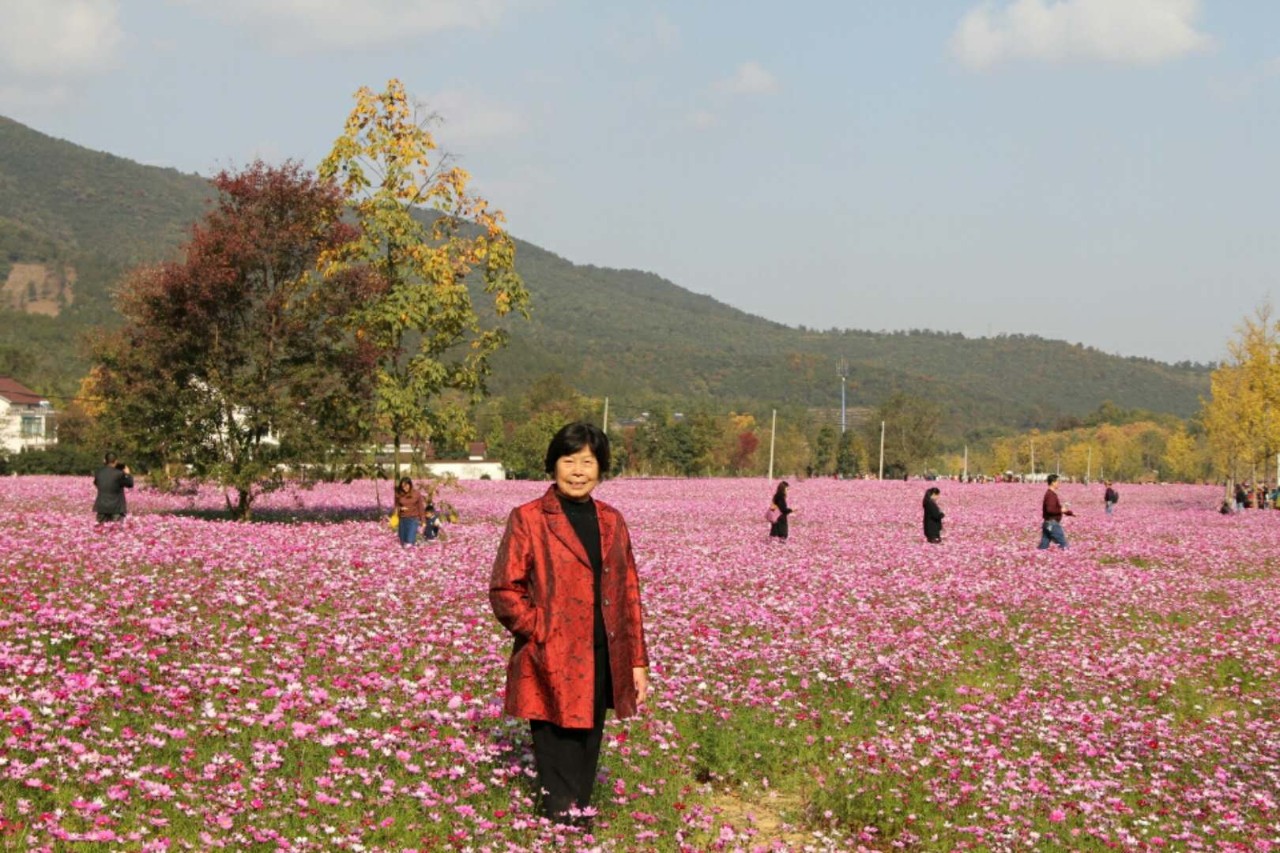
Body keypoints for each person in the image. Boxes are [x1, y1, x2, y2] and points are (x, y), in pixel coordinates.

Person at [489, 422, 650, 824]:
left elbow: (628, 592)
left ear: (601, 468)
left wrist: (637, 661)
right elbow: (504, 589)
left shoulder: (612, 520)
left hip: (601, 654)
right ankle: (563, 828)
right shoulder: (529, 518)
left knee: (588, 744)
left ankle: (580, 819)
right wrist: (541, 630)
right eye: (569, 460)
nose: (578, 471)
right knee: (557, 746)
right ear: (553, 464)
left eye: (588, 461)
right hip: (550, 656)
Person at [92, 451, 133, 523]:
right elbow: (130, 484)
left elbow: (96, 483)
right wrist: (128, 474)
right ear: (116, 461)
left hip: (101, 507)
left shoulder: (99, 472)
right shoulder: (119, 473)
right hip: (116, 508)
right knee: (116, 531)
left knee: (101, 530)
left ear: (105, 461)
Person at [1038, 474, 1074, 549]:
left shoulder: (1050, 494)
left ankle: (1038, 557)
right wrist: (1061, 510)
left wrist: (1070, 513)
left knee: (1043, 547)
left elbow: (1056, 508)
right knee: (1064, 545)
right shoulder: (1051, 495)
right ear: (1052, 482)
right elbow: (1050, 510)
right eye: (1058, 481)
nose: (1059, 483)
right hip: (1052, 524)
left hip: (1047, 523)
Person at [392, 477, 427, 546]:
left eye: (406, 486)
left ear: (410, 485)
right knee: (403, 541)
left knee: (409, 541)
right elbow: (396, 507)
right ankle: (406, 555)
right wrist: (400, 508)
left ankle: (410, 553)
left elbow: (421, 507)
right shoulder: (398, 494)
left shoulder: (416, 494)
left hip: (413, 519)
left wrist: (423, 521)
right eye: (403, 487)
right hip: (402, 520)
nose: (405, 488)